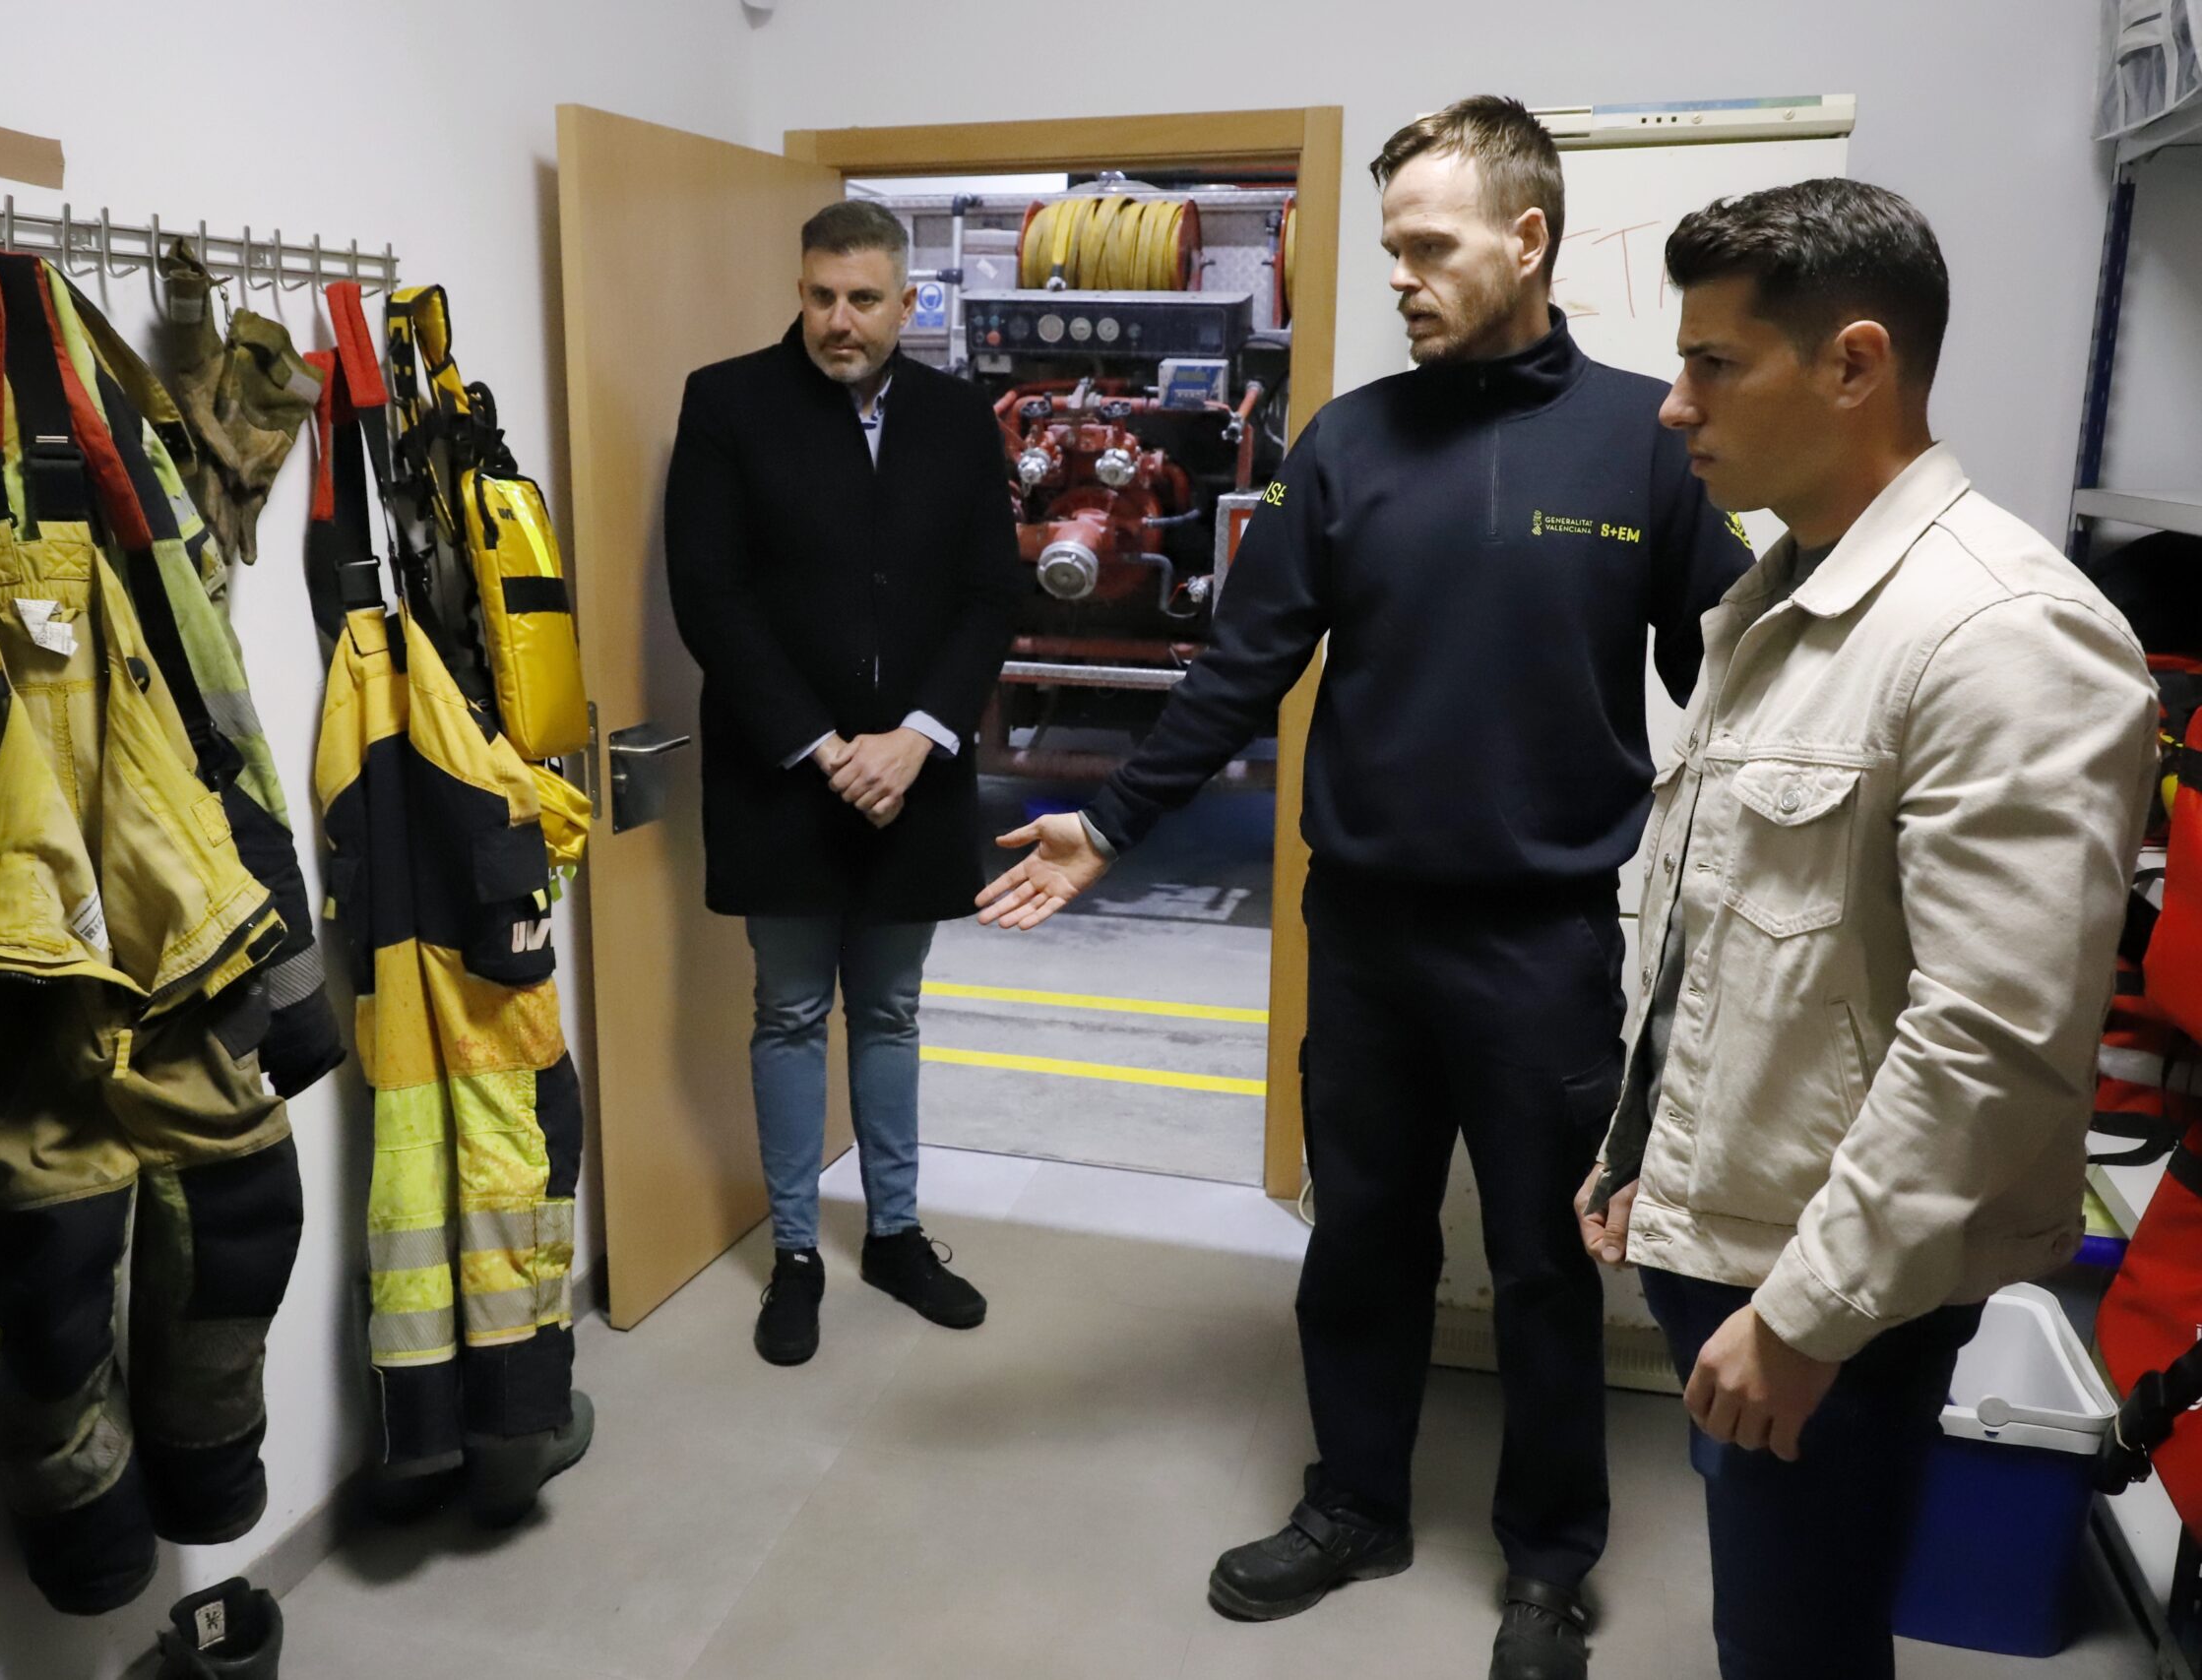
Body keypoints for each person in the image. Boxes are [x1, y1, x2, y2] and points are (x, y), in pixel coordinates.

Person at [976, 96, 1751, 1680]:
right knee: (1366, 1241)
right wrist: (1108, 822)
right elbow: (1239, 666)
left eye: (1429, 246)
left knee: (1543, 1264)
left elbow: (1740, 677)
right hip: (1370, 934)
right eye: (1392, 247)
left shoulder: (1643, 442)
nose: (1400, 275)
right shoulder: (1346, 443)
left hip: (1542, 943)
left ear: (1526, 240)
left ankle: (1549, 1561)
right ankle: (1355, 1504)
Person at [1573, 178, 2155, 1678]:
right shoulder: (1787, 597)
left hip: (1841, 1283)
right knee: (1771, 1620)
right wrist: (1640, 1152)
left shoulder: (2003, 634)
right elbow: (1726, 934)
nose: (1675, 404)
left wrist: (1807, 1316)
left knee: (1800, 1644)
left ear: (1854, 364)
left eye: (1714, 362)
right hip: (1753, 1238)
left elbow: (1993, 1039)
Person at [665, 199, 1023, 1369]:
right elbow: (710, 597)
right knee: (786, 1012)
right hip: (784, 774)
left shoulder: (959, 419)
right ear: (800, 291)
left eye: (864, 299)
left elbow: (989, 597)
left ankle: (898, 1236)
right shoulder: (728, 404)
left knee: (890, 1010)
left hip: (916, 775)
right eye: (821, 296)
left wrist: (917, 737)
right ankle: (795, 1255)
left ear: (906, 303)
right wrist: (825, 748)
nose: (839, 320)